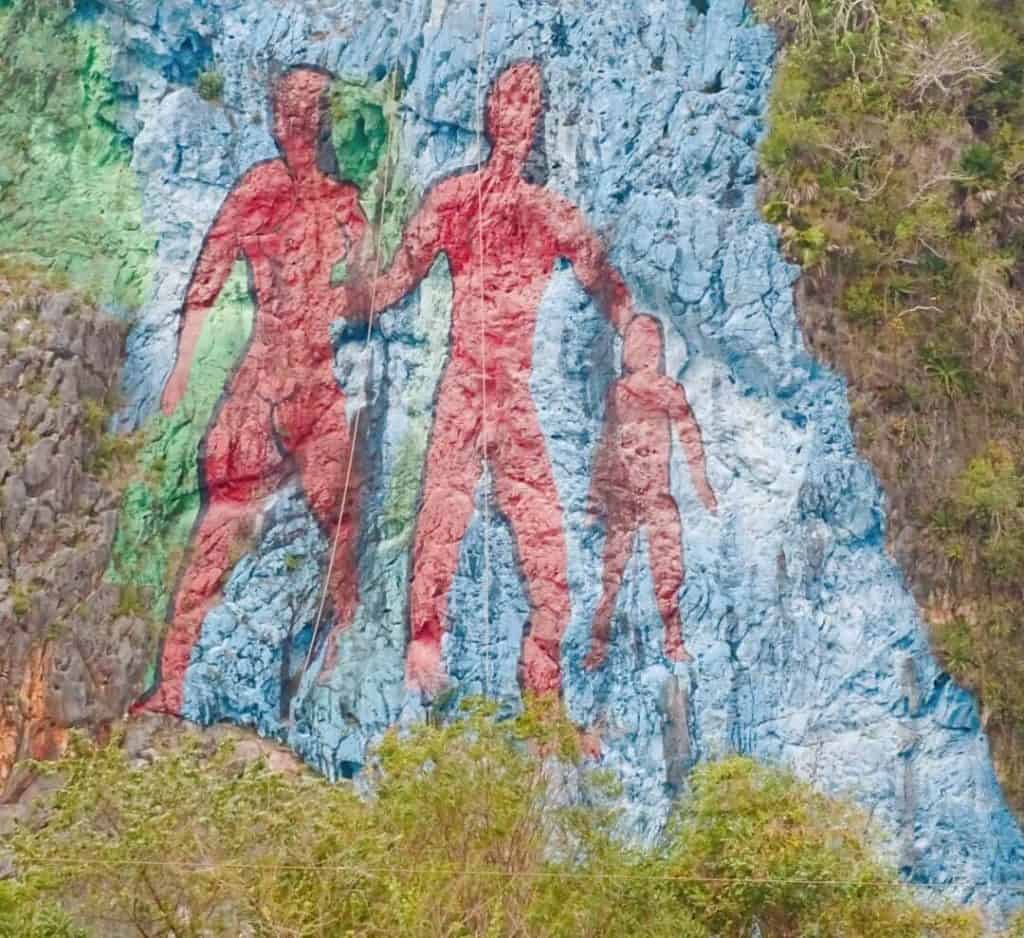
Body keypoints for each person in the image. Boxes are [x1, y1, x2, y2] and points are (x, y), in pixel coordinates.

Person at [340, 60, 637, 696]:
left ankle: (543, 670)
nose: (517, 118)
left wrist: (635, 332)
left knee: (540, 529)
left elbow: (605, 286)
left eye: (528, 107)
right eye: (508, 104)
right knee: (443, 507)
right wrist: (347, 296)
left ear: (537, 125)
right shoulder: (452, 200)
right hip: (466, 382)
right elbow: (397, 281)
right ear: (491, 116)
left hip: (514, 389)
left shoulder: (549, 213)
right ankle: (425, 643)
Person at [136, 66, 369, 715]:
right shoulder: (259, 190)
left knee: (346, 525)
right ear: (273, 118)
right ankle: (174, 683)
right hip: (263, 380)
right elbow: (207, 275)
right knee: (220, 522)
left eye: (310, 109)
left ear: (321, 121)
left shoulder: (345, 204)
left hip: (318, 386)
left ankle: (333, 680)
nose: (298, 120)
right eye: (288, 108)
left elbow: (376, 292)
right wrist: (182, 367)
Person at [583, 315, 717, 671]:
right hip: (625, 499)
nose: (644, 350)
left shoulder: (668, 391)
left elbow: (690, 438)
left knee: (667, 572)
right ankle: (598, 647)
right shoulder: (619, 393)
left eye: (649, 342)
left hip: (657, 496)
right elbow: (607, 445)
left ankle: (673, 641)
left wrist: (703, 487)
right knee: (611, 577)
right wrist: (596, 500)